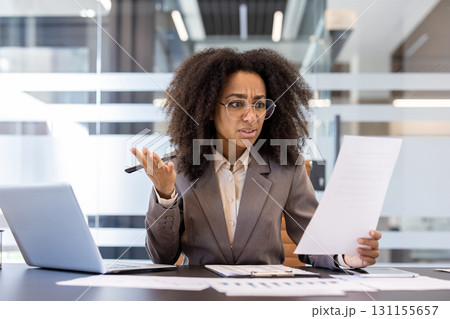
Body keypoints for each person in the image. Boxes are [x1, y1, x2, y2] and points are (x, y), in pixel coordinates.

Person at [131, 48, 381, 268]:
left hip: (266, 296)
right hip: (200, 298)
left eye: (260, 105)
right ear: (207, 109)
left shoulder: (286, 168)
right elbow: (162, 257)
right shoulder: (179, 169)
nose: (251, 117)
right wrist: (165, 195)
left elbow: (314, 240)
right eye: (237, 104)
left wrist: (346, 257)